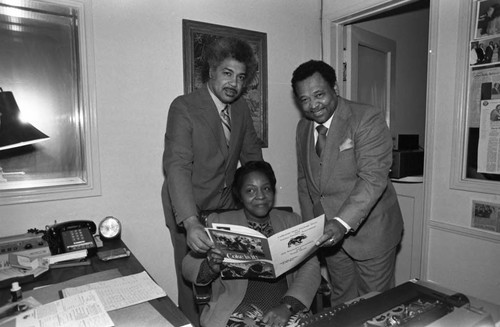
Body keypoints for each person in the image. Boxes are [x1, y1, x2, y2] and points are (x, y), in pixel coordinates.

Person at [161, 37, 263, 325]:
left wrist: (262, 196)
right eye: (227, 73)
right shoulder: (184, 107)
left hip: (225, 204)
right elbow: (177, 166)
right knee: (192, 277)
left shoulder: (242, 109)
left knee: (224, 273)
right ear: (212, 72)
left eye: (241, 77)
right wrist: (191, 222)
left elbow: (252, 156)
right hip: (186, 204)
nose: (234, 83)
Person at [290, 60, 404, 306]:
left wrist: (341, 223)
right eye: (305, 99)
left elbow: (373, 178)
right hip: (330, 240)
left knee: (374, 306)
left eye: (319, 94)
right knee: (343, 302)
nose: (313, 105)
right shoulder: (302, 128)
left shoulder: (366, 118)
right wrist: (312, 229)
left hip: (372, 234)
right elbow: (305, 182)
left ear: (335, 88)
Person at [182, 161, 321, 327]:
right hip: (237, 307)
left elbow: (311, 266)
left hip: (285, 305)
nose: (260, 195)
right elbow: (188, 265)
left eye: (266, 188)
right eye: (250, 190)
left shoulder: (291, 221)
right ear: (239, 195)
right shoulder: (219, 222)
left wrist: (288, 306)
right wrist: (210, 266)